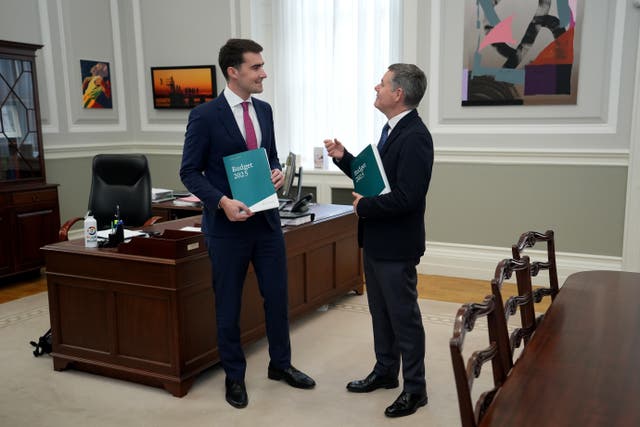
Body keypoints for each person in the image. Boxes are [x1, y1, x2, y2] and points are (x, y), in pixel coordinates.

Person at [180, 38, 315, 409]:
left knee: (277, 298)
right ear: (233, 72)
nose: (263, 73)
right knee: (229, 305)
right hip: (227, 228)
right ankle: (234, 377)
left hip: (267, 223)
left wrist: (276, 173)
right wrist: (221, 202)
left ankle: (281, 365)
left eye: (262, 65)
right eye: (256, 67)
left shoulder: (266, 110)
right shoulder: (205, 116)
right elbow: (189, 172)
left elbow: (270, 157)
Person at [324, 63, 433, 418]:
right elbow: (377, 180)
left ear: (398, 93)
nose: (376, 88)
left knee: (404, 318)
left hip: (397, 245)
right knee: (381, 314)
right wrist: (345, 159)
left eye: (382, 84)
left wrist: (366, 206)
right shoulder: (392, 130)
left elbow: (408, 198)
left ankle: (415, 390)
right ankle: (386, 371)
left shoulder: (415, 136)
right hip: (377, 241)